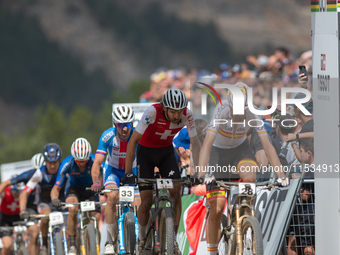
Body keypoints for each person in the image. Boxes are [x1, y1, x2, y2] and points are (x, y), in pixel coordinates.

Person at [198, 82, 289, 255]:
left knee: (249, 178)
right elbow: (207, 145)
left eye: (242, 111)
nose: (239, 115)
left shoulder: (253, 112)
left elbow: (267, 146)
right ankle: (212, 251)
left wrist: (281, 175)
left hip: (240, 149)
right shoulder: (221, 109)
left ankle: (245, 215)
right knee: (216, 209)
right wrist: (203, 173)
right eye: (235, 111)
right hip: (218, 152)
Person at [124, 89, 201, 255]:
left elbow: (195, 142)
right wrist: (128, 171)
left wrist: (197, 169)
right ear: (164, 108)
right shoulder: (152, 111)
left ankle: (172, 239)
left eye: (179, 111)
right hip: (145, 154)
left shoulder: (187, 115)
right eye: (172, 111)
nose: (176, 115)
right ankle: (142, 239)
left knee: (176, 190)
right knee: (146, 201)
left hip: (166, 152)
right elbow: (133, 141)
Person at [91, 105, 140, 254]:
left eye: (128, 125)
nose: (125, 129)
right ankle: (110, 240)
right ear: (114, 124)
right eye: (121, 125)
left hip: (132, 171)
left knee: (140, 202)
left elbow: (149, 155)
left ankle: (142, 237)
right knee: (112, 196)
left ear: (132, 124)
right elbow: (97, 163)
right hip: (113, 172)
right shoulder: (107, 136)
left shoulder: (138, 135)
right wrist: (96, 181)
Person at [50, 138, 100, 255]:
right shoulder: (67, 163)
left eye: (84, 160)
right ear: (73, 157)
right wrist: (54, 199)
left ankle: (94, 244)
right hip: (74, 188)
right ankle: (72, 244)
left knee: (96, 217)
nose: (81, 163)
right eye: (78, 160)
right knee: (72, 208)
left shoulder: (94, 160)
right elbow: (56, 188)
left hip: (91, 189)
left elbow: (105, 175)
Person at [19, 143, 63, 254]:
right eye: (50, 163)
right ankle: (44, 242)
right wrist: (23, 210)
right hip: (45, 203)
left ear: (59, 161)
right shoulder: (40, 172)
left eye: (55, 162)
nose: (52, 166)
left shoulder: (64, 169)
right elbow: (24, 193)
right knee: (45, 216)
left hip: (62, 203)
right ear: (45, 162)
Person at [0, 183, 25, 255]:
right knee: (7, 245)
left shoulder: (22, 195)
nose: (17, 194)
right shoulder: (5, 192)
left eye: (19, 192)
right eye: (15, 192)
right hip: (4, 219)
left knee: (25, 239)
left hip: (18, 217)